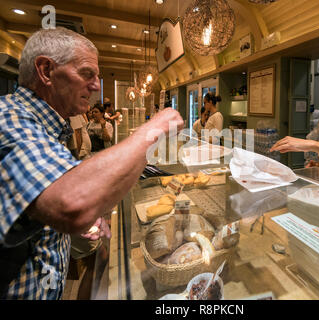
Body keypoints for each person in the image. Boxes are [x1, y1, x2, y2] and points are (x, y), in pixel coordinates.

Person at [0, 27, 183, 299]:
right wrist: (152, 130)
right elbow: (72, 203)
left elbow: (49, 192)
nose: (97, 85)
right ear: (46, 70)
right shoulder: (8, 118)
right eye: (87, 74)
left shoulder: (48, 127)